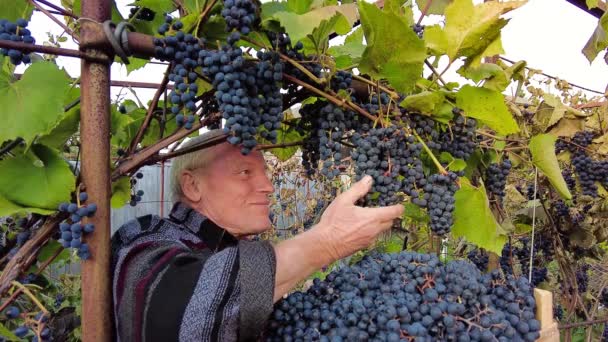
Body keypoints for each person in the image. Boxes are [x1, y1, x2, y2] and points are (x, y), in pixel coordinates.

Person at [111, 129, 404, 341]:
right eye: (244, 173)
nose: (268, 186)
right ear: (192, 186)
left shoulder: (237, 249)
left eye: (264, 172)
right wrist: (327, 241)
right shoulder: (143, 240)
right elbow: (188, 315)